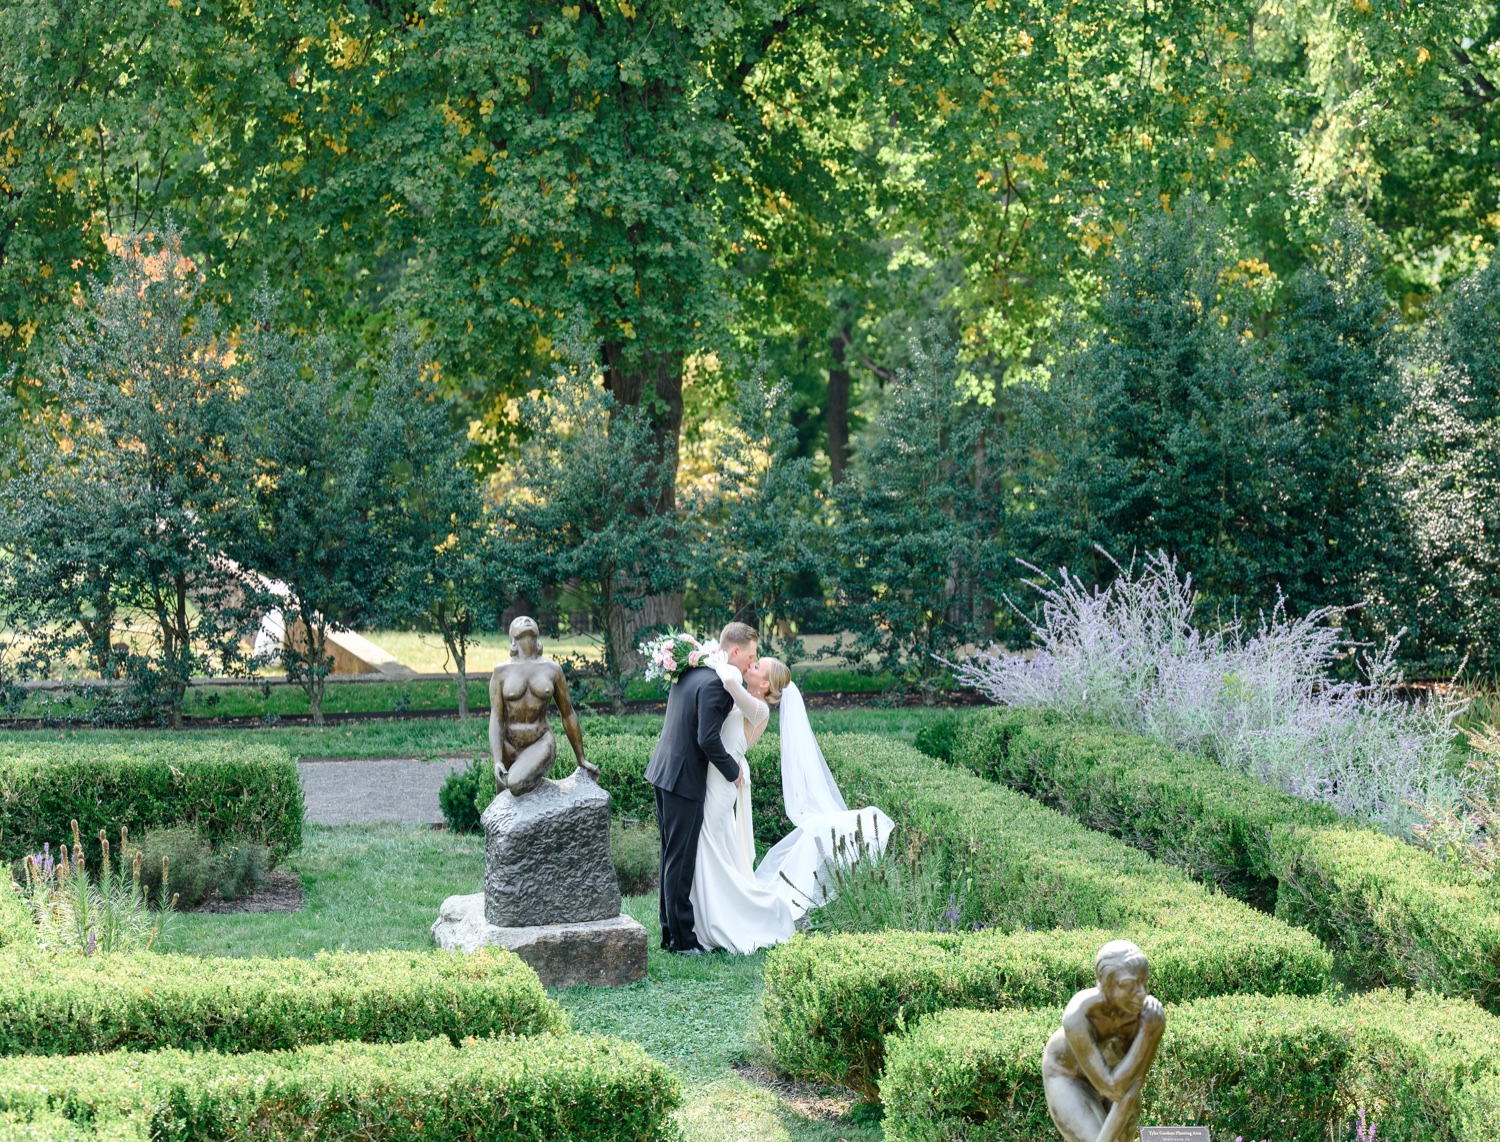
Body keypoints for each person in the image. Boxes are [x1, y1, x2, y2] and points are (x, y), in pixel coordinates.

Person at [644, 622, 757, 955]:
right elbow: (707, 738)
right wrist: (732, 770)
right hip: (683, 778)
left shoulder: (694, 670)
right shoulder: (716, 684)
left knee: (670, 855)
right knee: (680, 861)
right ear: (734, 651)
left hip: (663, 770)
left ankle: (670, 933)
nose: (752, 663)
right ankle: (682, 941)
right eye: (750, 655)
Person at [687, 654, 797, 953]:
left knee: (707, 844)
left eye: (758, 666)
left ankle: (720, 917)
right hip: (715, 777)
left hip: (722, 783)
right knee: (714, 845)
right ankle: (704, 914)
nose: (751, 665)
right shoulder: (746, 700)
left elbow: (728, 679)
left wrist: (710, 655)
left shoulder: (759, 708)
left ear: (764, 684)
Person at [1041, 940, 1165, 1142]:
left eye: (1144, 982)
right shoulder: (1079, 1016)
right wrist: (1144, 1034)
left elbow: (1130, 1089)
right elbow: (1112, 1089)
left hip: (1120, 1074)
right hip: (1070, 1077)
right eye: (1129, 985)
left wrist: (1147, 1032)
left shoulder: (1150, 1018)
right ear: (1106, 985)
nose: (1141, 994)